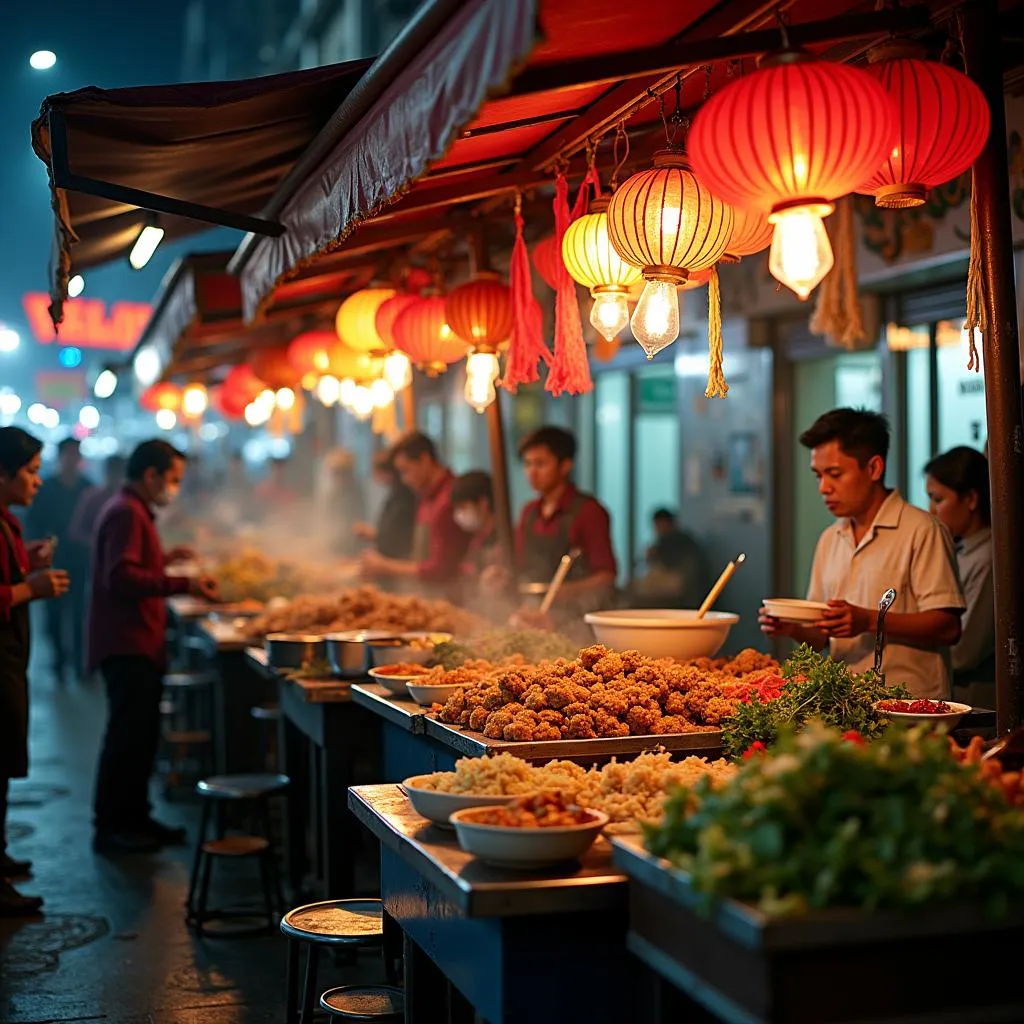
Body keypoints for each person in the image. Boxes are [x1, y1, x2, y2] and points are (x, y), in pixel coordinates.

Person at [760, 408, 964, 699]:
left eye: (834, 474)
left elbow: (948, 626)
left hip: (910, 707)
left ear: (874, 469)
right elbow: (821, 635)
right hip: (845, 704)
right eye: (818, 476)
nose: (823, 488)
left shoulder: (922, 530)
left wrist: (868, 620)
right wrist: (791, 628)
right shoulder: (831, 538)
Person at [89, 440, 218, 854]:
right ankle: (113, 828)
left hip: (137, 641)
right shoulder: (126, 512)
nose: (175, 487)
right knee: (127, 738)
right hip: (127, 644)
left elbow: (135, 566)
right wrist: (185, 582)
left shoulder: (133, 510)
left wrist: (164, 559)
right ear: (151, 475)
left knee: (139, 737)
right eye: (174, 479)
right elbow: (121, 576)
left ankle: (136, 818)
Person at [0, 427, 70, 916]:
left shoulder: (7, 520)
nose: (37, 482)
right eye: (29, 472)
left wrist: (27, 568)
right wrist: (33, 587)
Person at [487, 427, 616, 614]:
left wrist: (562, 592)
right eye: (527, 464)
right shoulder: (529, 512)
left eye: (540, 464)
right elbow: (517, 561)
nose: (531, 472)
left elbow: (606, 577)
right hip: (533, 612)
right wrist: (499, 573)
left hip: (578, 616)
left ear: (565, 466)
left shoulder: (589, 512)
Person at [359, 432, 469, 594]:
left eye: (405, 470)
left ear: (425, 460)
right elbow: (419, 555)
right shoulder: (425, 498)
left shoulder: (451, 498)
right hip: (425, 596)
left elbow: (441, 569)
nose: (404, 479)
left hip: (450, 600)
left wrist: (386, 566)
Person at [925, 446, 994, 700]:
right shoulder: (959, 550)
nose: (931, 510)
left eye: (938, 499)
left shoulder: (988, 558)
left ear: (971, 500)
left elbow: (965, 651)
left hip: (975, 704)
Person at [25, 437, 93, 680]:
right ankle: (59, 662)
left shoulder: (87, 486)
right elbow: (33, 522)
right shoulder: (46, 488)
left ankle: (79, 662)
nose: (73, 459)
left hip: (80, 560)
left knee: (79, 612)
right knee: (54, 613)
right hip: (52, 558)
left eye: (77, 454)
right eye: (69, 454)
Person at [633, 508, 709, 608]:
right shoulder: (683, 539)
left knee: (637, 589)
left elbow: (670, 570)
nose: (656, 529)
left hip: (688, 593)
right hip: (692, 594)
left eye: (658, 525)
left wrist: (652, 555)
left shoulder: (676, 540)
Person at [355, 450, 417, 560]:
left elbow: (400, 538)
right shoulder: (396, 494)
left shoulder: (404, 496)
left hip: (398, 564)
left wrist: (373, 534)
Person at [451, 471, 499, 577]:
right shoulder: (475, 539)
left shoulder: (501, 539)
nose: (458, 514)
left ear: (483, 503)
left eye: (463, 507)